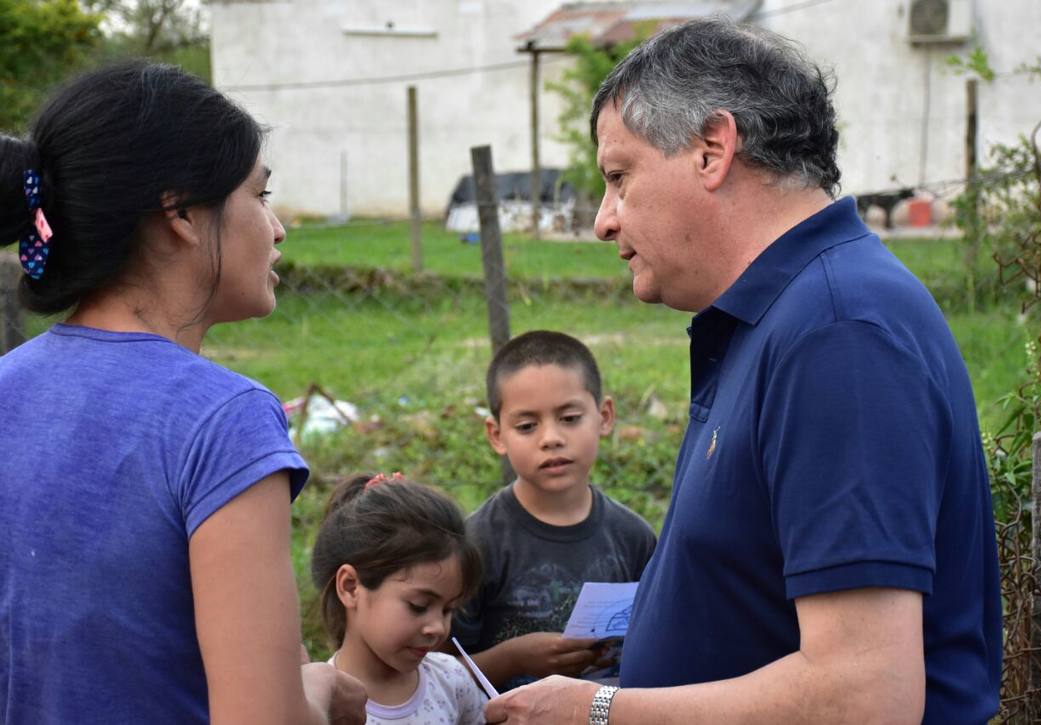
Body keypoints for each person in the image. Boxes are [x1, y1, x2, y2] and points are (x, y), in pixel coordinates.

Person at [485, 19, 1002, 725]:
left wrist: (601, 710)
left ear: (711, 150)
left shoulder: (838, 333)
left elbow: (865, 695)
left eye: (618, 176)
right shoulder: (794, 315)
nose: (605, 219)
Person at [0, 61, 366, 724]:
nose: (278, 228)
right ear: (181, 212)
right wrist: (317, 691)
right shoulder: (223, 422)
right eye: (259, 195)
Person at [451, 330, 657, 692]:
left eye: (569, 418)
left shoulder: (634, 538)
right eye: (527, 426)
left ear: (604, 416)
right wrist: (512, 658)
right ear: (497, 434)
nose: (551, 438)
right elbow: (436, 675)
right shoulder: (476, 543)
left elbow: (659, 641)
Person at [310, 472, 488, 724]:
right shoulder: (324, 706)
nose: (438, 627)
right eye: (419, 606)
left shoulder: (452, 681)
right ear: (351, 587)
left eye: (449, 610)